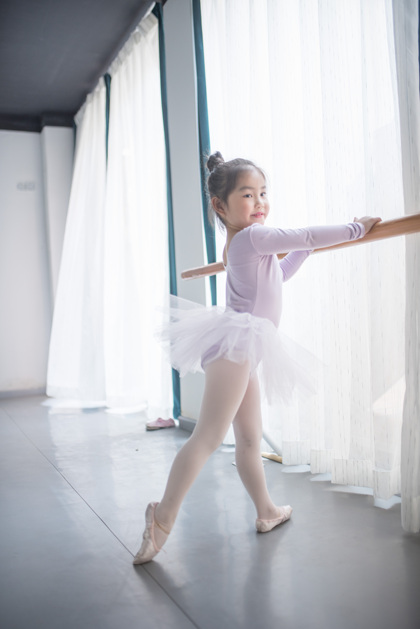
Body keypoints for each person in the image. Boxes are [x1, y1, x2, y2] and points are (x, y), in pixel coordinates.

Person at [133, 151, 381, 564]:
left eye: (263, 193)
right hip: (237, 347)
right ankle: (162, 517)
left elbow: (279, 274)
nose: (260, 202)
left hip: (241, 348)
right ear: (220, 206)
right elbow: (305, 234)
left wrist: (306, 250)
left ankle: (266, 511)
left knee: (249, 438)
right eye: (248, 195)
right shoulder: (252, 237)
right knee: (208, 437)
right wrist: (357, 228)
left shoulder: (244, 241)